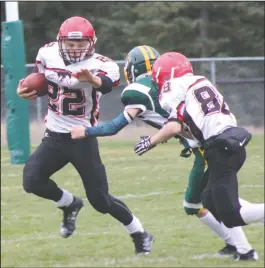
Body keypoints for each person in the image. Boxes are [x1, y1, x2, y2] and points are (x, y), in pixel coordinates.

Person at [71, 46, 259, 259]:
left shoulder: (141, 90)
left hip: (208, 148)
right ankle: (240, 248)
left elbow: (116, 126)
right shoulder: (186, 80)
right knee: (206, 200)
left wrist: (87, 131)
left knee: (202, 203)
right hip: (214, 142)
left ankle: (243, 248)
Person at [16, 16, 154, 255]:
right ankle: (70, 204)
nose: (75, 49)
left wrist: (91, 79)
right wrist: (26, 90)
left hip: (82, 137)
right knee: (32, 181)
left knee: (101, 201)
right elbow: (45, 85)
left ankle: (139, 232)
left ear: (92, 43)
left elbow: (107, 86)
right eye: (70, 44)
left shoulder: (103, 64)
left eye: (81, 45)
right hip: (55, 135)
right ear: (60, 42)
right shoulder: (47, 53)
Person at [133, 51, 264, 260]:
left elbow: (174, 126)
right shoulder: (200, 81)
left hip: (221, 148)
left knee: (232, 215)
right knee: (208, 198)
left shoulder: (172, 87)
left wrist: (150, 142)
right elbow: (192, 123)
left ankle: (247, 248)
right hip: (228, 143)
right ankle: (245, 252)